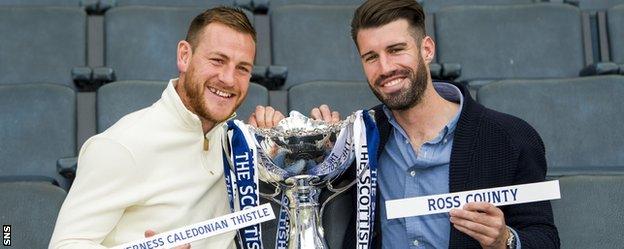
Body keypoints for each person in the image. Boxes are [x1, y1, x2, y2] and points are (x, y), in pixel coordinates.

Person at [330, 0, 560, 248]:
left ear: (427, 49)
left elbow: (544, 238)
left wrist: (506, 240)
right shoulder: (360, 136)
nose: (385, 68)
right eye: (371, 57)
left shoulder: (511, 138)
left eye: (396, 50)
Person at [49, 7, 283, 249]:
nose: (229, 79)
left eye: (242, 68)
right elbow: (65, 245)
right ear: (184, 56)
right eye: (217, 60)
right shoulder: (119, 146)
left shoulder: (238, 142)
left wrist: (280, 149)